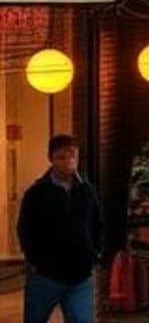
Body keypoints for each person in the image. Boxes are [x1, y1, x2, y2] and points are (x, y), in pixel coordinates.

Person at [18, 134, 103, 323]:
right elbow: (25, 229)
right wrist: (34, 260)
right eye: (62, 157)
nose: (68, 161)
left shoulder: (86, 190)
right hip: (46, 275)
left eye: (72, 155)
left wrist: (95, 252)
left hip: (80, 275)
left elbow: (96, 223)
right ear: (51, 159)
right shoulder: (37, 193)